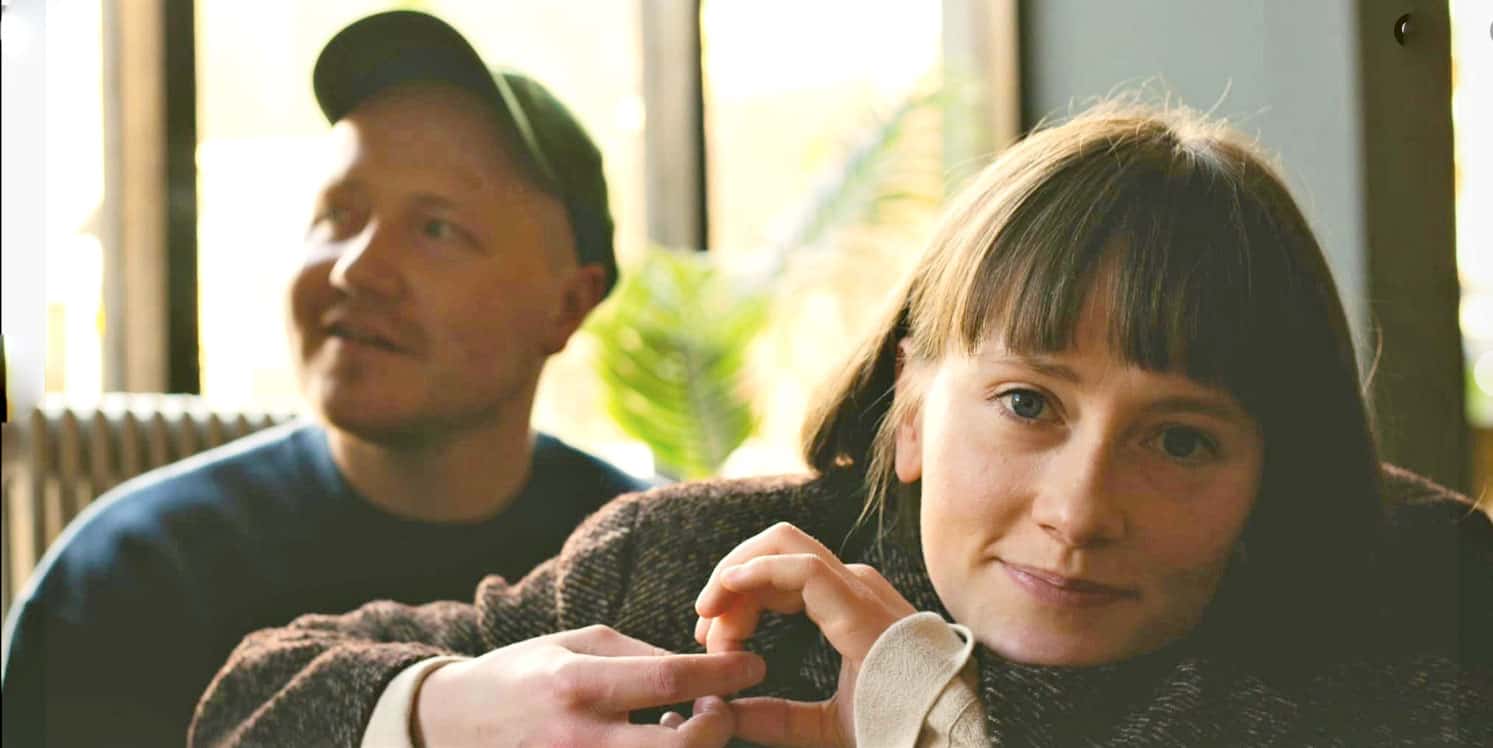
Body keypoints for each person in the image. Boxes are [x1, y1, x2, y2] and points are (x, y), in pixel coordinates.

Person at [190, 102, 1493, 747]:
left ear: (1275, 474)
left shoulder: (1424, 619)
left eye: (1182, 440)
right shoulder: (685, 566)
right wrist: (448, 710)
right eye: (1028, 404)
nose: (1082, 507)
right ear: (913, 411)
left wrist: (939, 724)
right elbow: (256, 700)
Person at [0, 11, 739, 747]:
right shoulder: (134, 575)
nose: (356, 268)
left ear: (567, 304)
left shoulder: (667, 569)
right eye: (338, 215)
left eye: (435, 229)